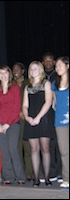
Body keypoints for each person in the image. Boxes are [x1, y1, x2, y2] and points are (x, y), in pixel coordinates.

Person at [0, 64, 26, 185]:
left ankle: (20, 176)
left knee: (13, 149)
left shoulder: (15, 88)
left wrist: (6, 124)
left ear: (9, 74)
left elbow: (16, 108)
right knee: (4, 150)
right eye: (1, 73)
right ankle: (8, 176)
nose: (3, 76)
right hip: (0, 124)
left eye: (5, 73)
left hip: (13, 123)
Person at [22, 61, 54, 187]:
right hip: (31, 119)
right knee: (34, 149)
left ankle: (46, 178)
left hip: (43, 119)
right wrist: (27, 117)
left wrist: (38, 118)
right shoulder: (27, 86)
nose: (33, 70)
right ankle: (36, 178)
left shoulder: (46, 83)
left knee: (45, 149)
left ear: (40, 69)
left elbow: (48, 102)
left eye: (35, 68)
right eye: (31, 68)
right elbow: (25, 105)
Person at [42, 52, 63, 183]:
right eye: (46, 60)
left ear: (54, 62)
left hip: (58, 113)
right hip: (45, 114)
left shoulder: (59, 76)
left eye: (51, 60)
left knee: (59, 144)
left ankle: (61, 172)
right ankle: (51, 172)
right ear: (43, 63)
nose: (48, 62)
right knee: (48, 145)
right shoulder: (40, 76)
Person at [12, 62, 34, 181]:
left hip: (27, 117)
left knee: (28, 146)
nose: (15, 71)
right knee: (17, 146)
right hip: (15, 119)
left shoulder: (28, 83)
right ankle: (19, 173)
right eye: (13, 69)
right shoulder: (11, 84)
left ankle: (29, 172)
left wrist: (25, 114)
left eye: (17, 69)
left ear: (23, 71)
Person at [51, 56, 69, 188]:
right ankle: (67, 177)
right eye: (56, 66)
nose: (57, 68)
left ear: (67, 66)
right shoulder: (54, 84)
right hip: (60, 121)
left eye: (60, 65)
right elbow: (55, 104)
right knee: (64, 150)